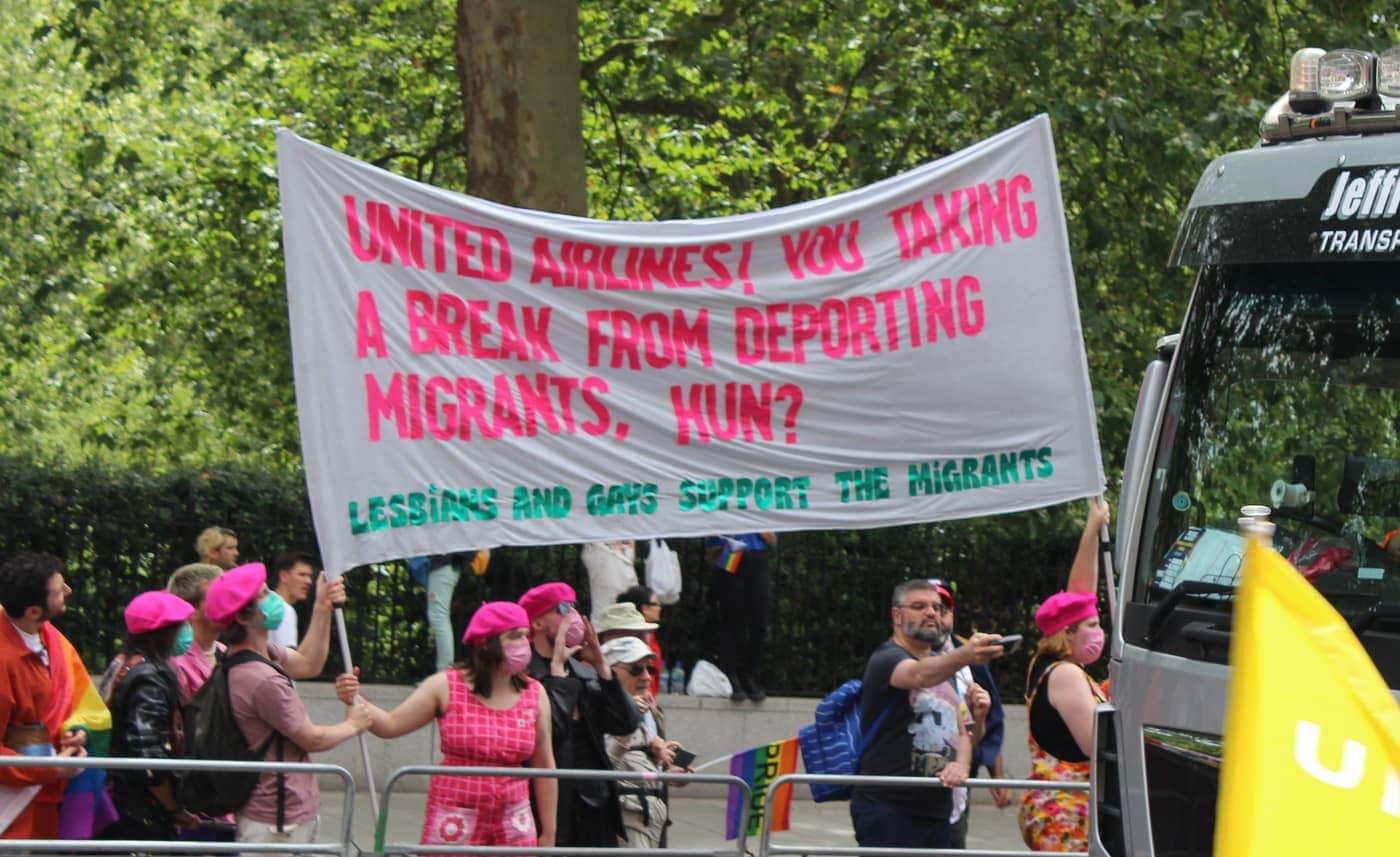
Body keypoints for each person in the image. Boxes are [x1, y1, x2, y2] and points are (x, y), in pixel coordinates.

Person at [336, 601, 557, 852]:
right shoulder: (445, 686)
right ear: (486, 642)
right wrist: (355, 698)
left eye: (525, 636)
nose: (523, 645)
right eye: (514, 636)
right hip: (455, 817)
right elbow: (390, 724)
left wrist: (549, 833)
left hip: (513, 819)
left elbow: (545, 765)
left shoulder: (535, 694)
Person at [203, 562, 370, 853]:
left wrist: (322, 607)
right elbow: (311, 738)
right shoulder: (261, 678)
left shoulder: (255, 656)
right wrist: (353, 723)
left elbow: (308, 663)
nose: (274, 599)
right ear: (244, 616)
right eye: (265, 594)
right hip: (276, 823)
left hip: (281, 814)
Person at [851, 578, 1005, 850]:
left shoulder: (944, 668)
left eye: (936, 607)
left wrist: (964, 756)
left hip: (937, 810)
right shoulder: (887, 658)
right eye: (919, 606)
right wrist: (965, 655)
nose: (931, 612)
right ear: (897, 615)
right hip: (889, 809)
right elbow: (918, 675)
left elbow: (964, 735)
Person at [1019, 498, 1112, 853]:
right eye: (1091, 625)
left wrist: (1091, 529)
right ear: (1068, 634)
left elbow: (1080, 592)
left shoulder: (1048, 665)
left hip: (1061, 805)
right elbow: (1096, 744)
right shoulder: (1067, 675)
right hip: (1066, 811)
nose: (1098, 631)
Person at [520, 581, 639, 847]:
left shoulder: (584, 672)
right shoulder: (523, 676)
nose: (573, 615)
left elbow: (625, 723)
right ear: (538, 623)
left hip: (595, 808)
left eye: (575, 607)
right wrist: (557, 673)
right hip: (549, 811)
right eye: (563, 608)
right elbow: (552, 731)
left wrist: (601, 667)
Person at [0, 553, 95, 840]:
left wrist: (76, 731)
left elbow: (79, 702)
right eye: (58, 590)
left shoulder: (51, 638)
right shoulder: (4, 659)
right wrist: (53, 766)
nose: (68, 591)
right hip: (11, 808)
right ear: (32, 611)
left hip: (43, 798)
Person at [100, 591, 200, 841]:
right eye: (181, 626)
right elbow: (149, 755)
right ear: (165, 632)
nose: (186, 632)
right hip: (139, 807)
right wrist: (173, 808)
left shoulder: (121, 663)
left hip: (114, 796)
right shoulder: (150, 677)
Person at [929, 579, 1008, 848]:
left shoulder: (972, 663)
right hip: (907, 792)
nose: (935, 616)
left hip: (955, 790)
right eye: (926, 608)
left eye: (943, 609)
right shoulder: (899, 659)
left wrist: (998, 776)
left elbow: (986, 724)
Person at [600, 636, 680, 849]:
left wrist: (665, 765)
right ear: (611, 671)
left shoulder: (645, 708)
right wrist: (626, 721)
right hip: (626, 818)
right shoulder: (600, 706)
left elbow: (635, 763)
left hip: (650, 817)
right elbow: (603, 765)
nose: (646, 677)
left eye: (649, 669)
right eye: (636, 670)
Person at [705, 532, 776, 701]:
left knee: (760, 621)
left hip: (758, 554)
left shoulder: (764, 505)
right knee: (731, 617)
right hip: (731, 550)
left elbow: (773, 539)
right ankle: (730, 675)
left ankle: (748, 674)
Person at [165, 563, 225, 700]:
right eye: (218, 596)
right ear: (192, 610)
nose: (229, 603)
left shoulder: (224, 651)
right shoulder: (176, 664)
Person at [616, 585, 665, 696]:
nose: (660, 608)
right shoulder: (629, 640)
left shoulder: (651, 636)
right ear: (645, 608)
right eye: (656, 604)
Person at [268, 552, 316, 649]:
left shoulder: (267, 604)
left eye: (309, 576)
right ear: (283, 576)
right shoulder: (284, 609)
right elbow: (287, 658)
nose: (309, 581)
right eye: (302, 575)